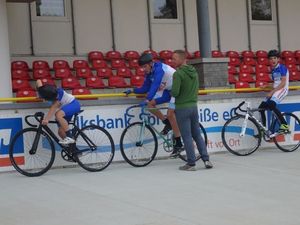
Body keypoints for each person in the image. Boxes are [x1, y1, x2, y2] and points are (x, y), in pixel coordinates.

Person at [124, 53, 183, 153]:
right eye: (142, 67)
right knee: (150, 104)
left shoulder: (159, 69)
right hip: (167, 90)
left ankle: (178, 143)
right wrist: (133, 90)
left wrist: (147, 98)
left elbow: (155, 85)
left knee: (170, 113)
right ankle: (167, 123)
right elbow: (146, 87)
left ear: (151, 63)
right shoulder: (149, 72)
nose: (143, 69)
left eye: (145, 66)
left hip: (177, 91)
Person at [171, 50, 213, 171]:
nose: (172, 61)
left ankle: (191, 163)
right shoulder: (193, 71)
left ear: (182, 59)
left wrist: (170, 90)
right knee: (197, 134)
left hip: (182, 108)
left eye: (174, 59)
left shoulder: (178, 74)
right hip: (193, 107)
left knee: (187, 136)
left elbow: (175, 92)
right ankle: (206, 160)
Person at [36, 79, 81, 145]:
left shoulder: (59, 93)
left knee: (58, 114)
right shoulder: (43, 90)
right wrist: (39, 94)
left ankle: (70, 137)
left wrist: (46, 119)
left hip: (73, 104)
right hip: (66, 108)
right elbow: (38, 81)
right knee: (61, 132)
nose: (56, 97)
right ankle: (74, 150)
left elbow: (53, 107)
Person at [258, 49, 289, 136]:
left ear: (278, 59)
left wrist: (271, 92)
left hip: (283, 89)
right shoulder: (273, 70)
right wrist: (266, 86)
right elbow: (275, 84)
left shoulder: (282, 67)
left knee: (271, 105)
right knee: (261, 108)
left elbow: (282, 83)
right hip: (276, 90)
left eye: (274, 58)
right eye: (271, 59)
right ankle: (263, 130)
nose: (273, 60)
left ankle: (285, 126)